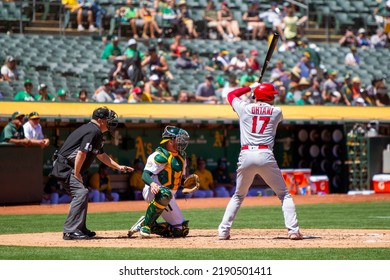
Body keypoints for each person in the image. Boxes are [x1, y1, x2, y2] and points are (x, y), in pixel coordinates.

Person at [218, 82, 302, 240]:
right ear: (269, 96)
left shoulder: (244, 108)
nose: (275, 98)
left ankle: (223, 231)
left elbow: (231, 95)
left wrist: (250, 88)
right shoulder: (277, 112)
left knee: (238, 195)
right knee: (284, 194)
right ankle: (293, 231)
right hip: (265, 154)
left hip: (246, 154)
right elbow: (261, 108)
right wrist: (254, 96)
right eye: (273, 95)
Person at [49, 107, 133, 240]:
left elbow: (101, 155)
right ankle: (70, 231)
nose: (111, 122)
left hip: (68, 166)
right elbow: (82, 153)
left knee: (82, 193)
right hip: (65, 166)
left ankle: (80, 228)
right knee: (81, 193)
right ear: (100, 120)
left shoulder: (96, 132)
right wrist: (77, 173)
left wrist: (119, 167)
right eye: (108, 119)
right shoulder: (93, 131)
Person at [127, 125, 191, 238]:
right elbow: (145, 175)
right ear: (170, 141)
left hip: (169, 195)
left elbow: (178, 178)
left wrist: (186, 183)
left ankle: (147, 224)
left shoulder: (182, 156)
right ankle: (146, 227)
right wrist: (152, 184)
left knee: (181, 230)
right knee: (164, 194)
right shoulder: (159, 156)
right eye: (179, 139)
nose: (182, 142)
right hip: (154, 192)